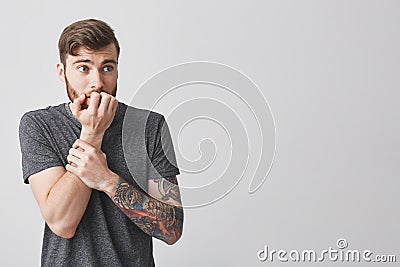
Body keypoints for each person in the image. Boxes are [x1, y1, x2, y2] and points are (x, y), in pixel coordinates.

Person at [18, 18, 183, 266]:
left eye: (107, 67)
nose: (97, 82)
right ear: (62, 72)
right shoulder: (39, 125)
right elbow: (62, 223)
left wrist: (107, 180)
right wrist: (92, 134)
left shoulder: (150, 126)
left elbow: (171, 230)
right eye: (83, 68)